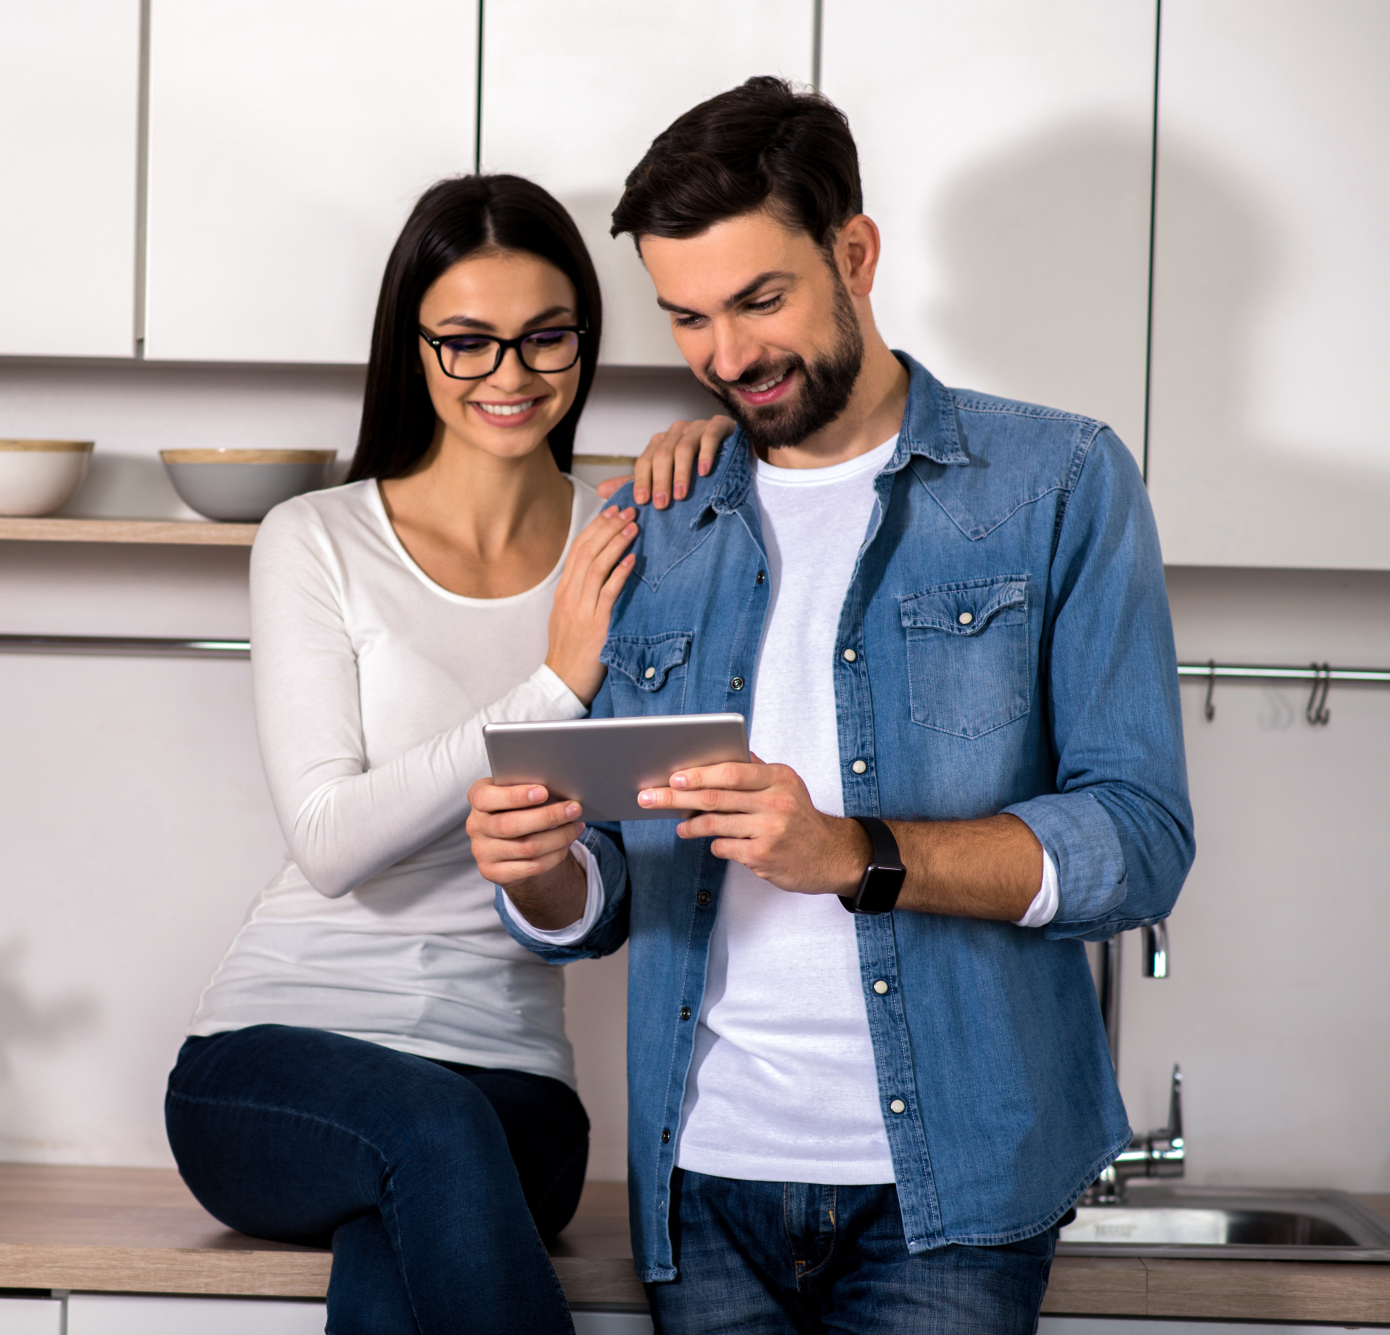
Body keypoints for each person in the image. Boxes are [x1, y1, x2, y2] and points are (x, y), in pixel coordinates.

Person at [467, 77, 1195, 1334]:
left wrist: (849, 856)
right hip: (698, 1187)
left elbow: (1135, 843)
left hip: (953, 1195)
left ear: (853, 253)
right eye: (686, 319)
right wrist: (537, 871)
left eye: (760, 300)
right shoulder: (654, 520)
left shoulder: (1057, 481)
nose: (727, 358)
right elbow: (606, 893)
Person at [166, 174, 641, 1335]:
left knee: (405, 1228)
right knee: (421, 1141)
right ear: (413, 348)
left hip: (511, 1088)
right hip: (279, 1065)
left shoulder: (629, 543)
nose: (509, 376)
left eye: (544, 338)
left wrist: (553, 876)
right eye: (467, 342)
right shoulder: (316, 538)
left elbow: (617, 881)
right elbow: (329, 846)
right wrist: (550, 684)